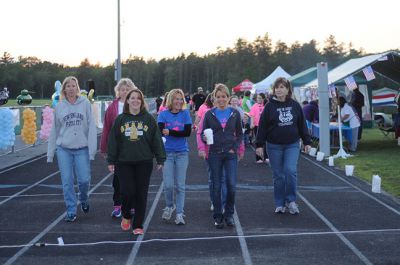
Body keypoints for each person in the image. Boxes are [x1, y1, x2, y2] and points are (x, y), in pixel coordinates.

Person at [107, 89, 166, 235]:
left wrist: (160, 158)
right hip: (123, 162)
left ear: (142, 101)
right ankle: (126, 215)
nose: (135, 101)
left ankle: (138, 224)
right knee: (127, 191)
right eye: (132, 98)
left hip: (144, 161)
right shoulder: (120, 119)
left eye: (138, 98)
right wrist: (111, 160)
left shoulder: (149, 119)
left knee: (141, 193)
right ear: (127, 100)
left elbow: (156, 140)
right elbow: (113, 141)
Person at [255, 77, 311, 215]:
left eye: (282, 87)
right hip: (273, 146)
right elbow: (262, 126)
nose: (279, 90)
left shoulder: (295, 105)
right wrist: (259, 145)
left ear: (287, 89)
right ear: (274, 90)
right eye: (277, 87)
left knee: (290, 171)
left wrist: (307, 141)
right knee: (278, 175)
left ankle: (291, 201)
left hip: (292, 144)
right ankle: (280, 203)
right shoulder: (269, 106)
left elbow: (302, 124)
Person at [47, 76, 97, 222]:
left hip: (82, 148)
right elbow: (54, 131)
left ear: (77, 88)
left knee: (84, 180)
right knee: (67, 181)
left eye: (73, 85)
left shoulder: (85, 103)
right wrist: (50, 154)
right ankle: (71, 210)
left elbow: (92, 127)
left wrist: (92, 151)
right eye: (67, 86)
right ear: (64, 89)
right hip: (64, 149)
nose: (70, 88)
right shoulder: (59, 106)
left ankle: (83, 198)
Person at [198, 84, 244, 229]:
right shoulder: (209, 114)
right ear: (214, 99)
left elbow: (240, 134)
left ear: (228, 98)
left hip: (230, 154)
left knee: (231, 185)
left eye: (224, 96)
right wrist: (204, 143)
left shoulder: (235, 113)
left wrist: (236, 149)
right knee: (216, 186)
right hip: (214, 154)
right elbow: (202, 133)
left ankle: (229, 214)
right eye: (218, 97)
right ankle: (218, 216)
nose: (221, 99)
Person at [100, 78, 136, 218]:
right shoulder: (112, 107)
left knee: (133, 179)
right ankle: (118, 205)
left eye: (127, 89)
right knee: (118, 180)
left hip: (134, 148)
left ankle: (132, 205)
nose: (125, 91)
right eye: (122, 89)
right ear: (118, 91)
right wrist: (104, 148)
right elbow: (106, 129)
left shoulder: (136, 105)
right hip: (118, 150)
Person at [157, 89, 192, 225]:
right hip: (167, 153)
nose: (179, 101)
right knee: (168, 185)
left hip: (182, 153)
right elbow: (160, 132)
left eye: (180, 99)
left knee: (180, 186)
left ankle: (179, 213)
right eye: (176, 99)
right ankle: (170, 205)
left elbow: (187, 133)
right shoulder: (163, 114)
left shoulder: (185, 114)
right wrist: (167, 133)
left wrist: (170, 131)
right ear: (171, 100)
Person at [249, 93, 268, 163]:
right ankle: (259, 158)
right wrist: (252, 123)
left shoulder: (266, 106)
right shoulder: (254, 106)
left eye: (260, 98)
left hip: (265, 126)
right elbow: (251, 116)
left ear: (263, 99)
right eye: (258, 98)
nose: (259, 99)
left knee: (266, 141)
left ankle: (266, 156)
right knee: (258, 141)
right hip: (257, 126)